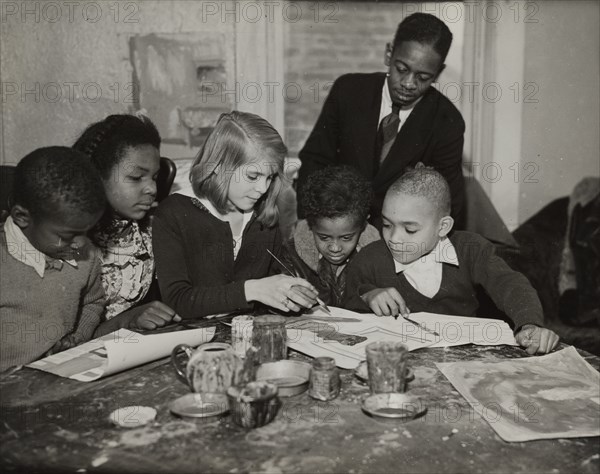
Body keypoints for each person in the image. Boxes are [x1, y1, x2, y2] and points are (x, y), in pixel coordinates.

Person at [344, 167, 560, 355]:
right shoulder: (369, 259)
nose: (393, 238)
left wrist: (529, 324)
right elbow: (346, 311)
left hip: (462, 363)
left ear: (443, 227)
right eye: (387, 224)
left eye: (410, 229)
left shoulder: (470, 249)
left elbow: (509, 283)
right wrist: (367, 295)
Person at [297, 12, 465, 229]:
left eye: (423, 78)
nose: (408, 83)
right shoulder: (348, 92)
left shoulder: (447, 121)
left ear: (438, 73)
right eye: (401, 69)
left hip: (399, 238)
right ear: (389, 54)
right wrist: (309, 223)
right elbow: (314, 161)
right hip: (336, 226)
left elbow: (449, 202)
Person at [153, 111, 319, 319]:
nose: (262, 188)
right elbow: (178, 301)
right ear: (220, 165)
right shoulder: (173, 214)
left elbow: (270, 283)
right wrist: (252, 290)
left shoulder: (264, 216)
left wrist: (289, 293)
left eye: (270, 177)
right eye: (253, 176)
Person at [73, 114, 180, 335]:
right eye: (136, 177)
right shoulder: (65, 240)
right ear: (96, 176)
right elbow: (64, 342)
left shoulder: (152, 231)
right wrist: (125, 321)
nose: (152, 188)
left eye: (154, 177)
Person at [0, 147, 106, 370]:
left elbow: (93, 302)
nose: (80, 243)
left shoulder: (85, 256)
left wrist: (78, 338)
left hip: (55, 375)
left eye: (87, 231)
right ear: (22, 217)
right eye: (67, 236)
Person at [283, 166, 380, 307]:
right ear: (311, 226)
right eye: (324, 237)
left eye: (346, 238)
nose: (335, 248)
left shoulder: (378, 259)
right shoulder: (291, 256)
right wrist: (287, 296)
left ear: (362, 226)